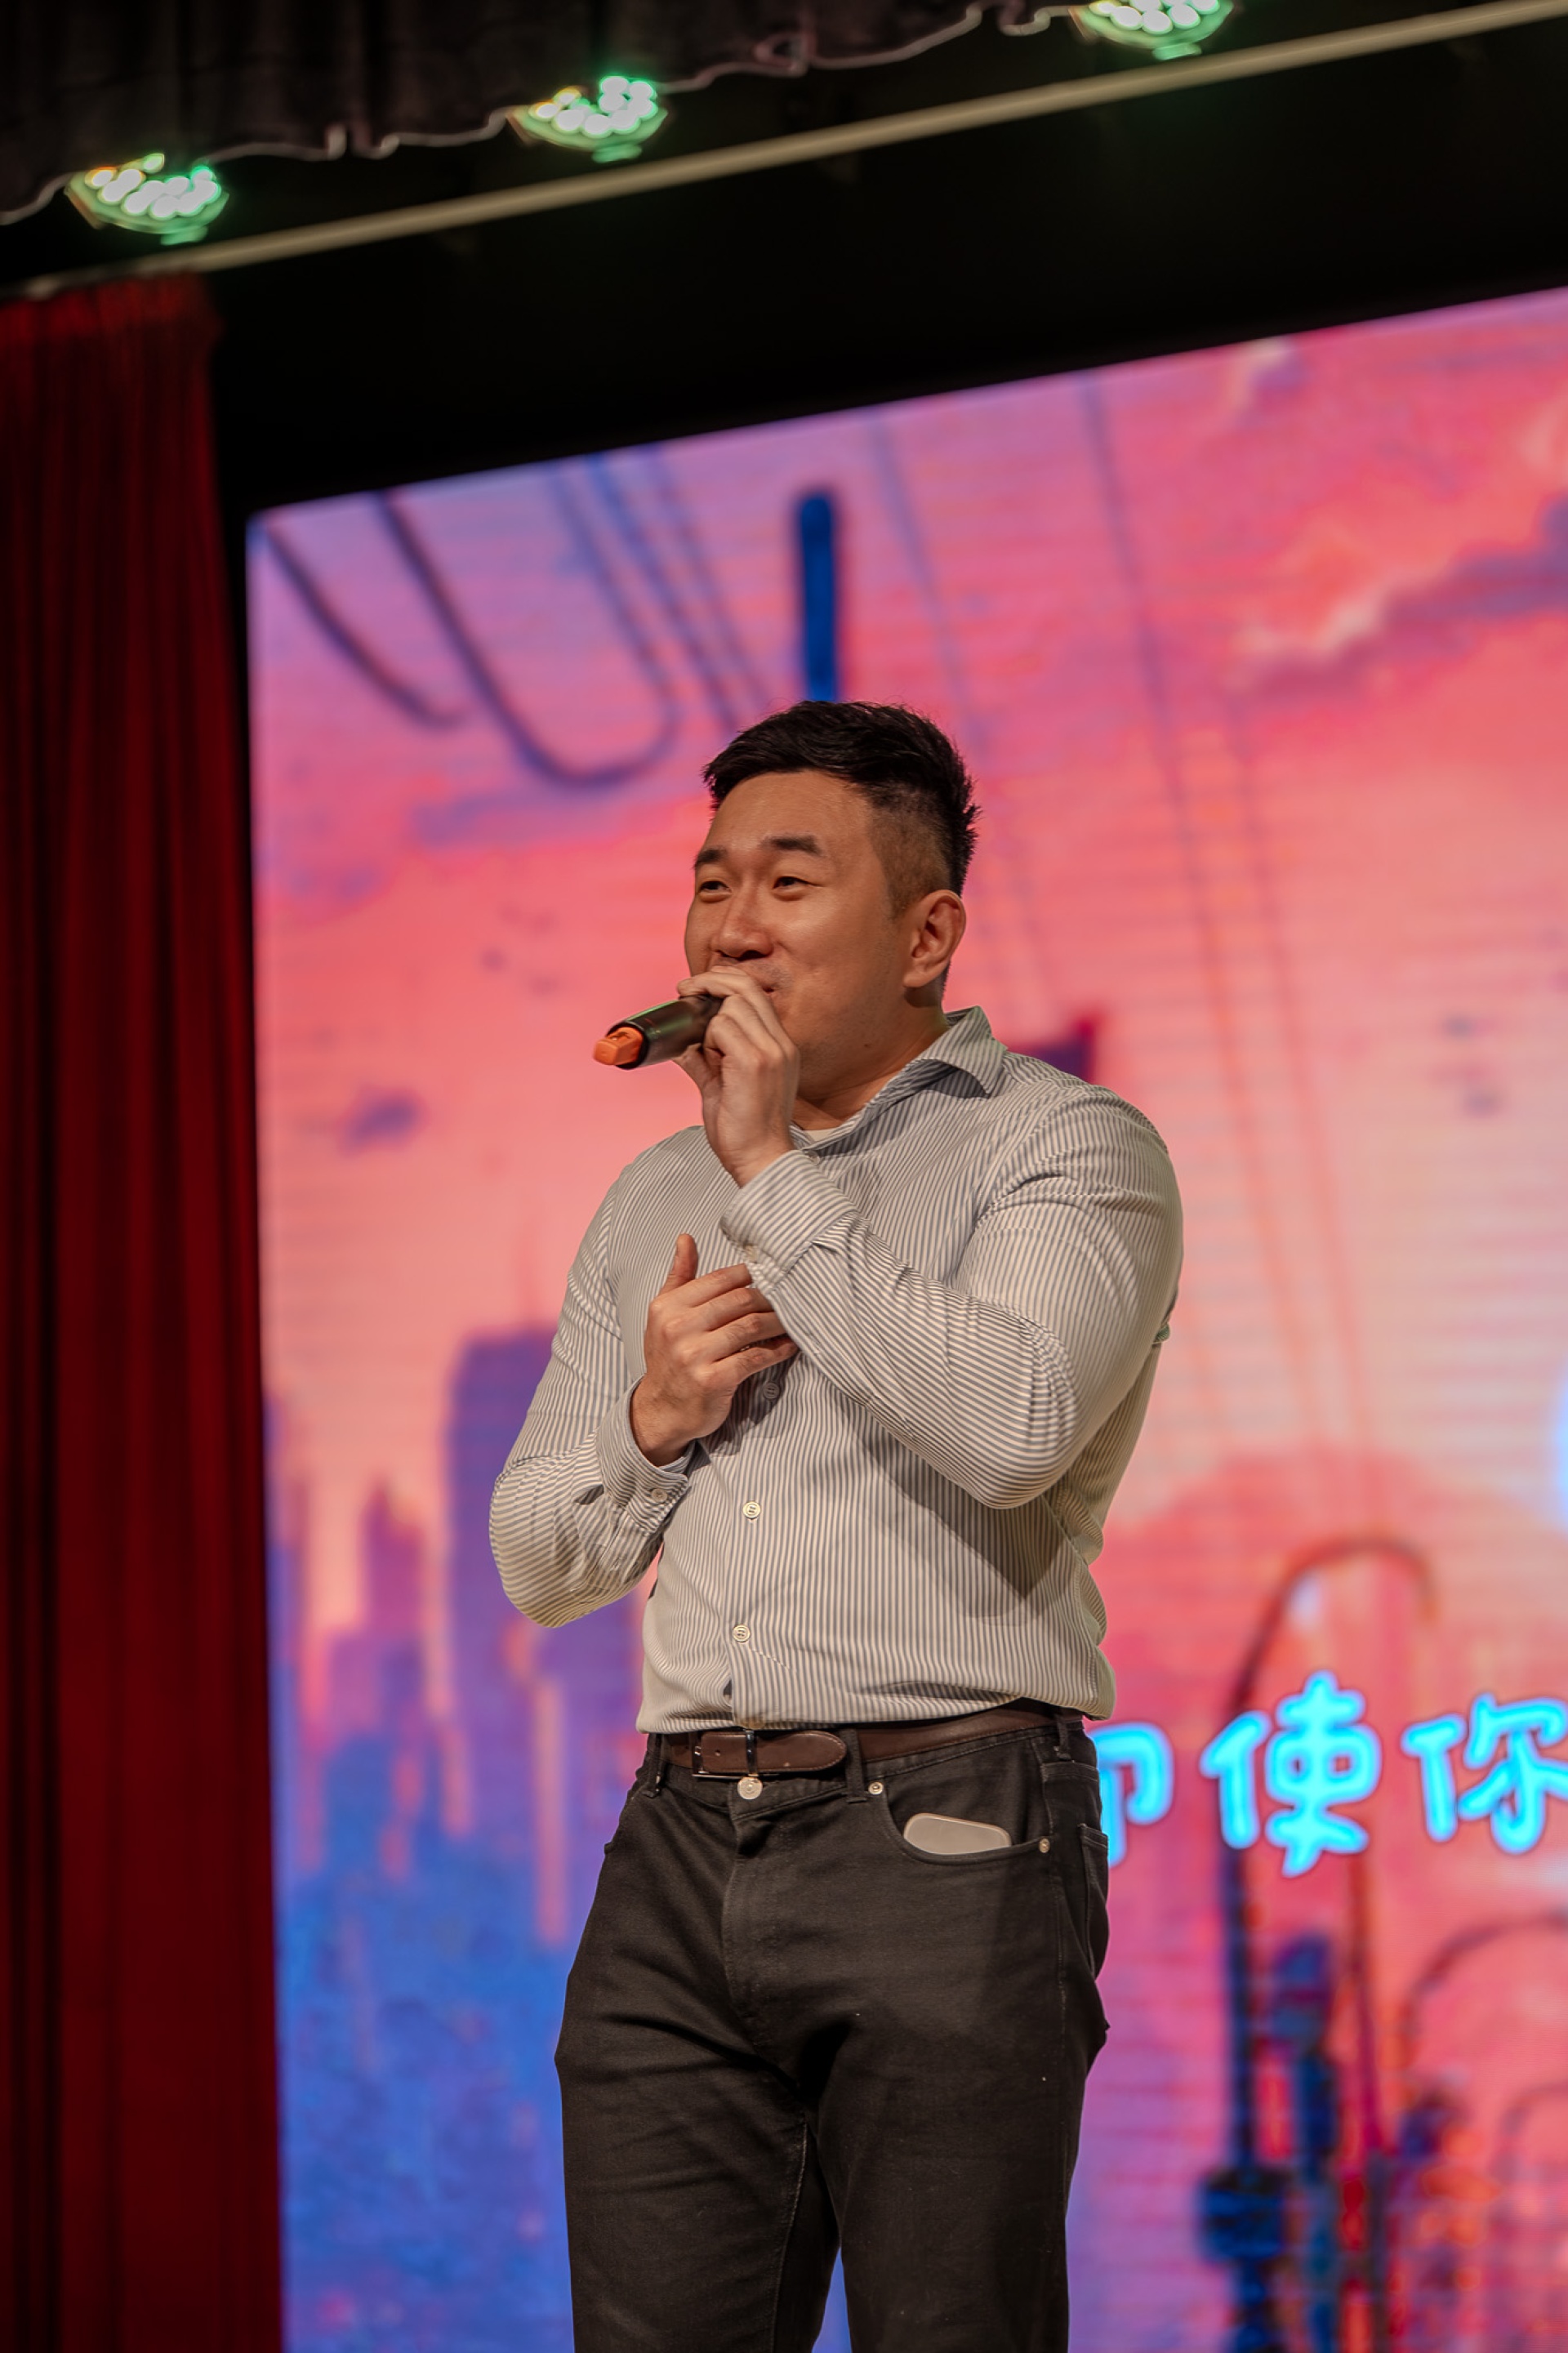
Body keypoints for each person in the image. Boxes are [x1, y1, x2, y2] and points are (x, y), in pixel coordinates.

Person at [490, 701, 1183, 2353]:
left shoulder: (1061, 1146)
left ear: (927, 934)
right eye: (711, 882)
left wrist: (772, 1174)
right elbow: (535, 1556)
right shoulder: (652, 1194)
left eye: (789, 884)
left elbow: (1013, 1427)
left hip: (950, 1825)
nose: (732, 927)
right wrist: (651, 1423)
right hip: (677, 1840)